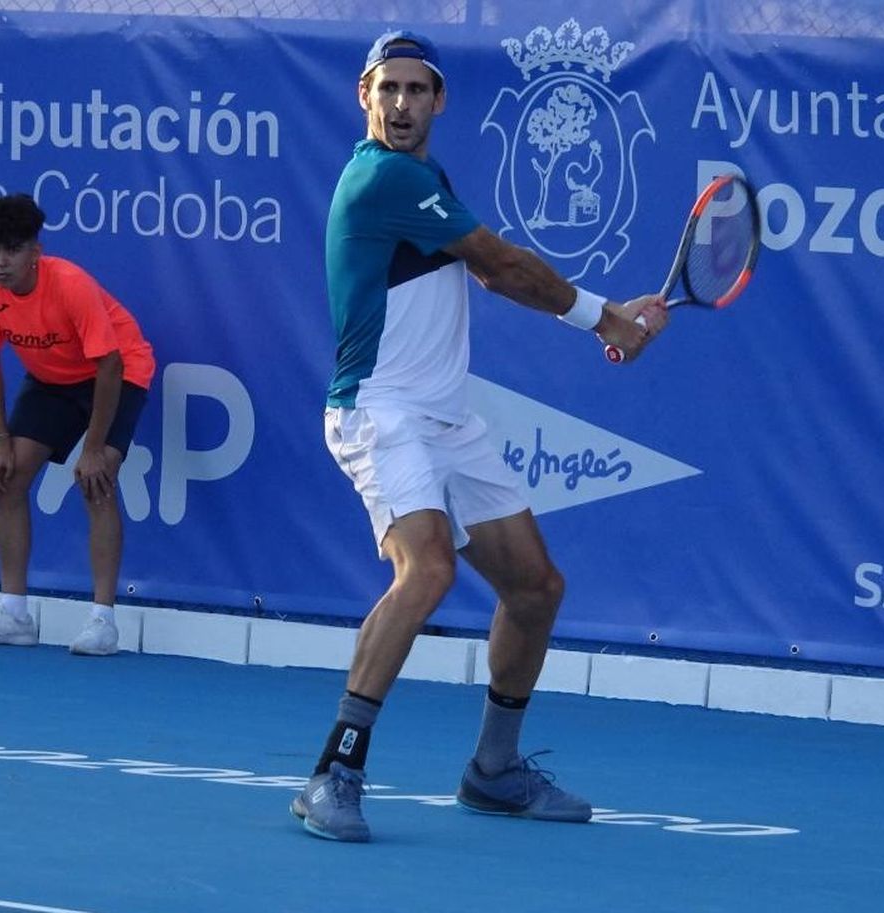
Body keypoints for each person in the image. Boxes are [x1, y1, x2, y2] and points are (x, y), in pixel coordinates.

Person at [290, 30, 668, 842]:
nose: (400, 104)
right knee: (424, 570)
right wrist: (604, 315)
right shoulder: (383, 177)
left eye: (416, 90)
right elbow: (499, 265)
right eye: (386, 89)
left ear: (439, 101)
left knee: (535, 589)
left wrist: (609, 314)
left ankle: (493, 770)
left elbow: (495, 271)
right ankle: (333, 772)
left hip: (446, 419)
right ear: (365, 97)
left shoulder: (426, 175)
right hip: (378, 409)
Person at [0, 193, 157, 657]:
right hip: (52, 380)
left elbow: (108, 366)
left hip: (118, 372)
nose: (1, 263)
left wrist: (94, 447)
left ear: (35, 252)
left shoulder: (70, 284)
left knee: (96, 480)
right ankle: (13, 615)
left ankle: (102, 622)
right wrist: (1, 440)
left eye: (12, 251)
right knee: (7, 480)